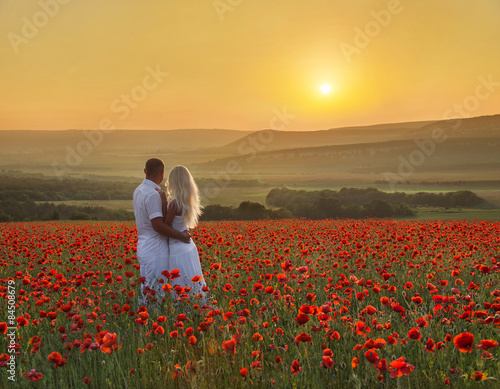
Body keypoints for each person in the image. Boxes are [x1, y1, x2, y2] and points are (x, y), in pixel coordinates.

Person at [133, 158, 191, 306]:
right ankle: (153, 322)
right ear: (162, 173)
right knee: (156, 291)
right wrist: (182, 236)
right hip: (156, 249)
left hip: (142, 246)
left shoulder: (138, 190)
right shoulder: (153, 194)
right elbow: (158, 225)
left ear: (145, 171)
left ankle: (142, 320)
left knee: (146, 288)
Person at [159, 165, 208, 305]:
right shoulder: (188, 200)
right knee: (194, 283)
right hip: (189, 247)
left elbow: (165, 226)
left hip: (177, 249)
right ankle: (197, 309)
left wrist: (162, 203)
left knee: (180, 284)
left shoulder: (174, 203)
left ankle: (184, 312)